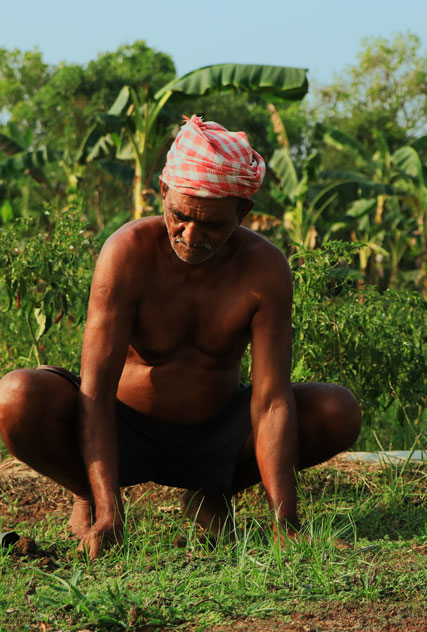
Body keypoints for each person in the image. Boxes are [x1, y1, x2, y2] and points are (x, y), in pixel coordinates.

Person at [0, 115, 361, 559]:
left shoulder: (264, 269)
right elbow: (95, 393)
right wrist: (108, 512)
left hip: (216, 435)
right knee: (14, 397)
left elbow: (271, 401)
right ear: (163, 194)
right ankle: (91, 494)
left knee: (337, 410)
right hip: (122, 428)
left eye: (211, 225)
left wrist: (285, 524)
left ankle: (210, 491)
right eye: (180, 216)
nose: (191, 236)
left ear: (244, 212)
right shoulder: (127, 252)